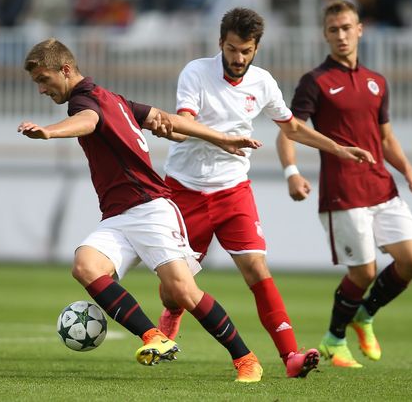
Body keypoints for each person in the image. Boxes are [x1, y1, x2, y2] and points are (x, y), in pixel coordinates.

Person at [18, 38, 265, 383]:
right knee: (86, 265)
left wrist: (49, 131)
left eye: (43, 80)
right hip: (118, 217)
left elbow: (88, 121)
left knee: (182, 291)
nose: (42, 89)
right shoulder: (115, 99)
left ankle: (246, 359)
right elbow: (165, 119)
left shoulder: (84, 103)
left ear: (66, 70)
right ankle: (154, 337)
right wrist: (220, 138)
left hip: (150, 209)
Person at [153, 7, 375, 378]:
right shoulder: (196, 72)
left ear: (256, 49)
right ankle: (174, 310)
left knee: (257, 268)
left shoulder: (263, 83)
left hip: (232, 191)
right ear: (220, 43)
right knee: (174, 289)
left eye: (246, 51)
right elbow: (184, 123)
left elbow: (292, 127)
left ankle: (291, 356)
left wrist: (338, 148)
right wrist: (180, 131)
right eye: (232, 49)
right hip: (184, 190)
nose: (238, 59)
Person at [275, 0, 412, 368]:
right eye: (333, 29)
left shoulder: (377, 82)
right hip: (343, 190)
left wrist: (406, 168)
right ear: (325, 35)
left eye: (347, 27)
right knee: (364, 271)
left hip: (382, 185)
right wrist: (292, 173)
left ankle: (364, 315)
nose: (341, 35)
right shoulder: (316, 82)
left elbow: (385, 137)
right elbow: (288, 131)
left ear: (360, 29)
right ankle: (334, 339)